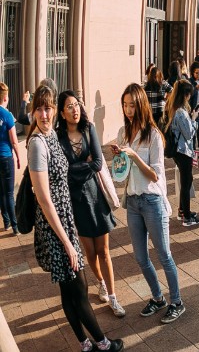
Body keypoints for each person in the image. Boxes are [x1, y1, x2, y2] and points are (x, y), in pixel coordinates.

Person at [26, 85, 125, 352]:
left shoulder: (50, 137)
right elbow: (44, 199)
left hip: (65, 222)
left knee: (68, 291)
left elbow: (89, 164)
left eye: (48, 108)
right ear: (33, 111)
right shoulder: (37, 143)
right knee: (79, 289)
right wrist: (68, 243)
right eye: (40, 108)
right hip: (55, 227)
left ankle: (84, 344)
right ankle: (103, 344)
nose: (45, 114)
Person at [114, 83, 185, 324]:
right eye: (125, 105)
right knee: (140, 258)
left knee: (164, 254)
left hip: (152, 200)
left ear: (141, 105)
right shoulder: (123, 134)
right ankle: (158, 297)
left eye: (132, 105)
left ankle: (177, 301)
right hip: (133, 202)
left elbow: (155, 174)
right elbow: (120, 174)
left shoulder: (154, 135)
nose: (128, 109)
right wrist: (119, 160)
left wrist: (133, 156)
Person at [54, 90, 125, 318]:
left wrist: (75, 168)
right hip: (76, 201)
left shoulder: (89, 129)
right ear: (62, 113)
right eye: (69, 107)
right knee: (90, 252)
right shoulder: (58, 137)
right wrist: (79, 167)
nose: (75, 110)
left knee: (104, 250)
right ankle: (101, 282)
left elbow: (96, 163)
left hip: (95, 196)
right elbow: (62, 172)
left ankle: (113, 297)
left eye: (76, 105)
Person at [164, 81, 199, 227]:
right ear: (185, 95)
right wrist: (194, 119)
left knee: (185, 181)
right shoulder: (180, 112)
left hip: (178, 151)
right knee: (186, 182)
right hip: (183, 151)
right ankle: (186, 217)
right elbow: (189, 133)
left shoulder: (173, 108)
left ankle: (183, 211)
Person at [0, 83, 20, 234]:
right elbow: (14, 140)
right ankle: (15, 226)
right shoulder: (7, 115)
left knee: (1, 192)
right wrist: (19, 157)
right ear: (6, 97)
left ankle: (6, 222)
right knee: (9, 193)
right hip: (6, 157)